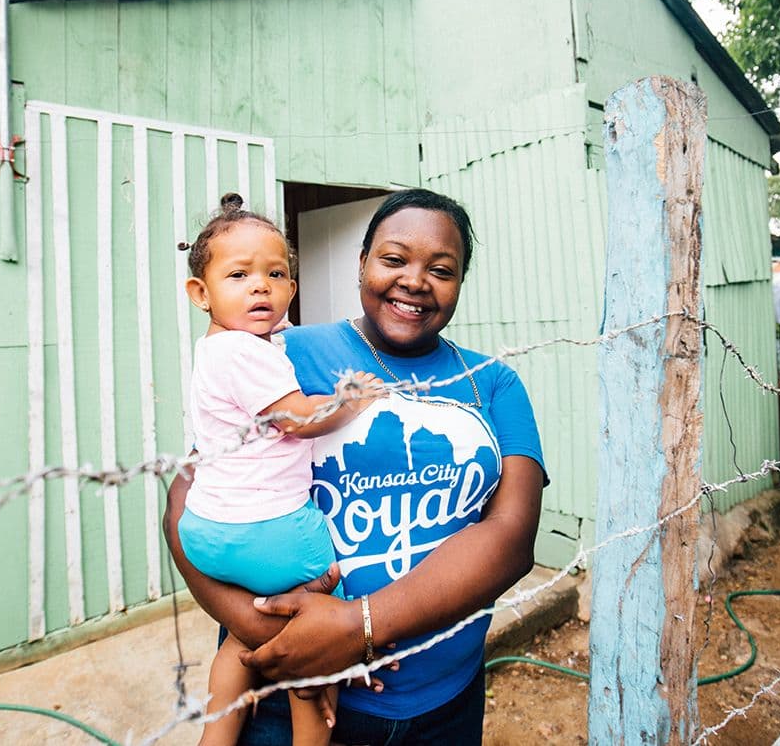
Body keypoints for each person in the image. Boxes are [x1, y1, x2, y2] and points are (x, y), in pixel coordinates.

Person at [165, 188, 547, 745]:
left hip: (443, 706)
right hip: (283, 692)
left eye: (441, 269)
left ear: (460, 283)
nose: (415, 281)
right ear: (362, 263)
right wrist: (259, 630)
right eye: (393, 259)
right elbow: (189, 492)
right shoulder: (279, 351)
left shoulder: (493, 382)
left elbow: (512, 537)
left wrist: (356, 625)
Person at [177, 193, 383, 746]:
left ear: (292, 288)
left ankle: (217, 735)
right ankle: (314, 720)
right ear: (202, 292)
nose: (260, 286)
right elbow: (298, 418)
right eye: (239, 275)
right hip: (270, 533)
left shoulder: (216, 350)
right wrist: (352, 399)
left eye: (275, 274)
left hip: (208, 529)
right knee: (325, 622)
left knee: (238, 644)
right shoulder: (245, 352)